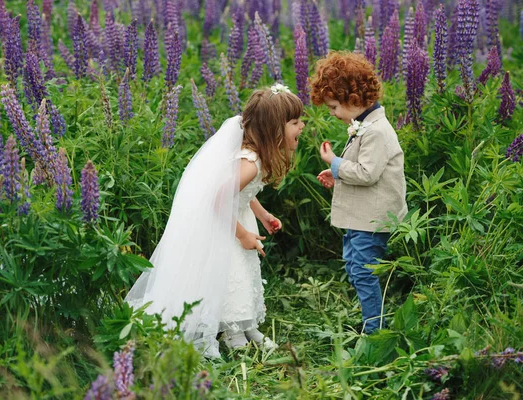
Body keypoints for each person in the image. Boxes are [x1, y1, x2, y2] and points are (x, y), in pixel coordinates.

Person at [125, 83, 304, 357]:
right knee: (231, 272)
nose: (301, 126)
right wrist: (241, 233)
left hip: (236, 218)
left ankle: (247, 325)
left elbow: (243, 192)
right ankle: (233, 333)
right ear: (274, 129)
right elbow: (219, 198)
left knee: (244, 273)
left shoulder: (257, 159)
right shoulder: (251, 162)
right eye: (294, 122)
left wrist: (263, 215)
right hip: (225, 224)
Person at [310, 51, 407, 334]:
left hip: (373, 220)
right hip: (361, 217)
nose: (332, 113)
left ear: (353, 100)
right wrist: (337, 173)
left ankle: (374, 330)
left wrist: (334, 162)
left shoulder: (377, 131)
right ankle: (372, 319)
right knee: (355, 267)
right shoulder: (366, 125)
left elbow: (367, 173)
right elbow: (365, 168)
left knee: (364, 273)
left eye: (332, 107)